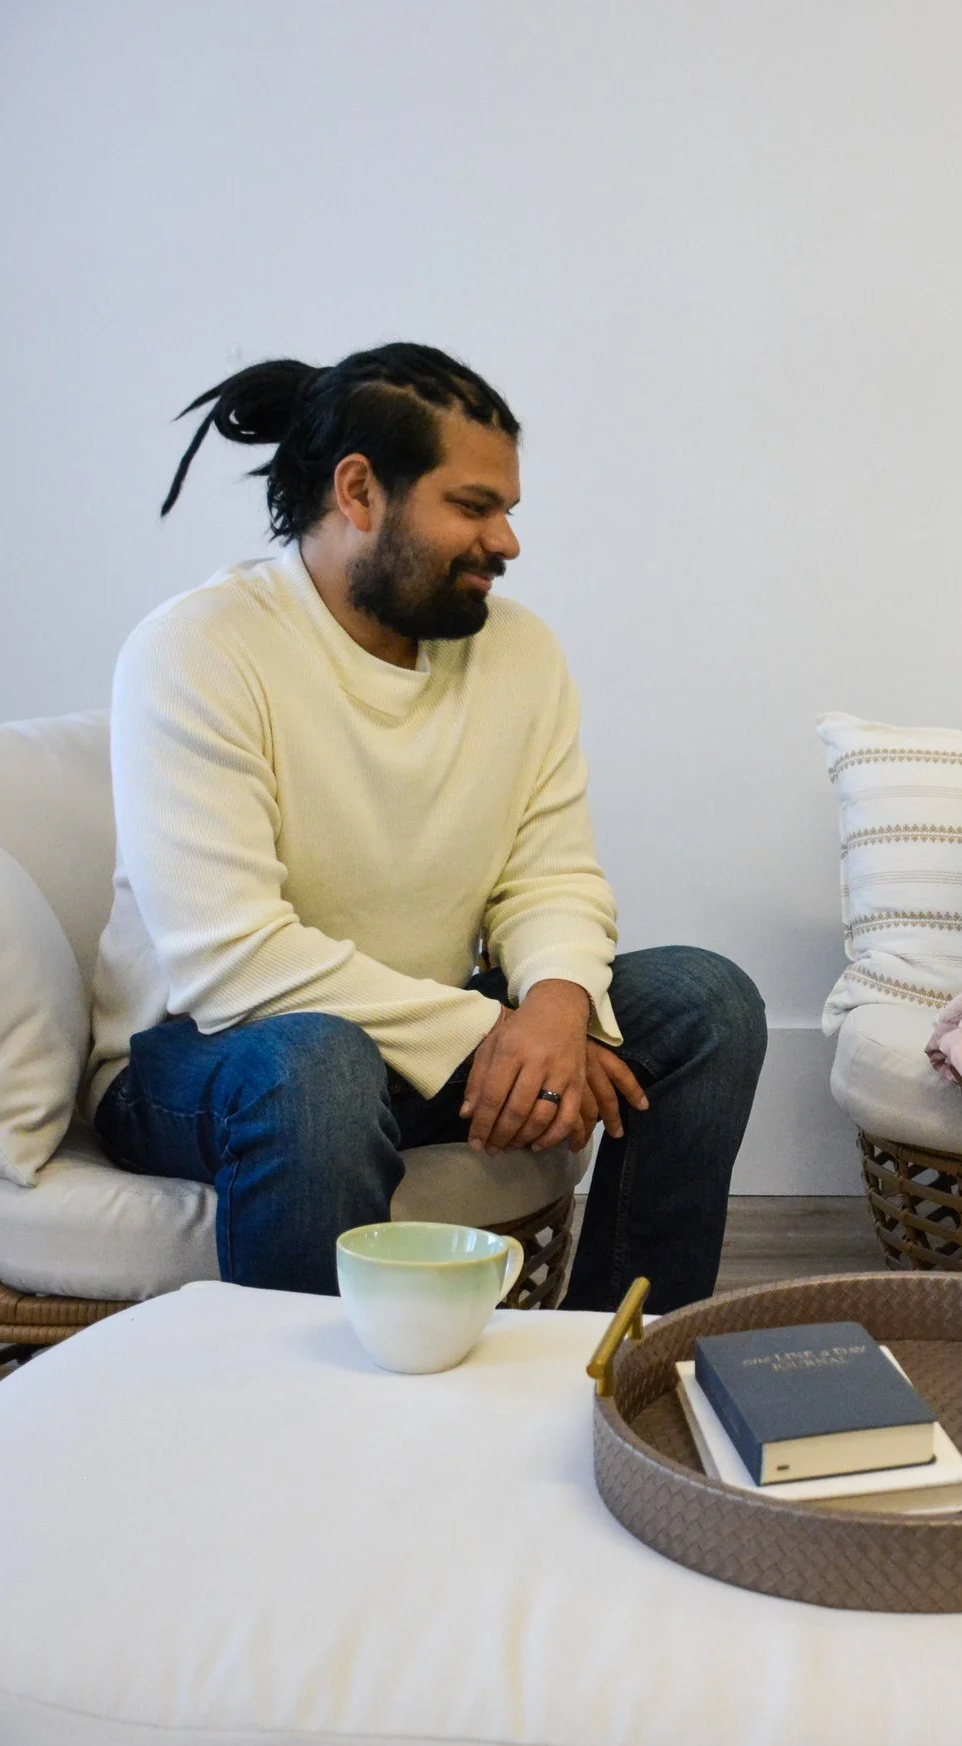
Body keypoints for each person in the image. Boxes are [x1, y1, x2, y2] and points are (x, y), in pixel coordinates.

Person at [86, 343, 766, 1311]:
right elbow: (229, 958)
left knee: (709, 1001)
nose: (507, 543)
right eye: (473, 507)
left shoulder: (520, 654)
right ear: (359, 492)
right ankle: (312, 1427)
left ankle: (608, 1365)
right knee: (317, 1065)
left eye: (509, 511)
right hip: (213, 1061)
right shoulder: (200, 649)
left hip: (412, 1040)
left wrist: (558, 1008)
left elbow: (550, 876)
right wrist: (496, 1029)